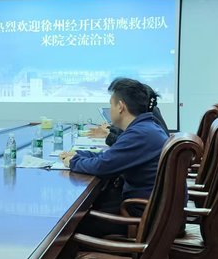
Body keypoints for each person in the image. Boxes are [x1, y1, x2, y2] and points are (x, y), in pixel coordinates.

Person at [60, 78, 169, 235]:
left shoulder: (139, 134)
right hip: (148, 208)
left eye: (111, 105)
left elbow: (102, 166)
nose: (110, 110)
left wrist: (73, 162)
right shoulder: (144, 129)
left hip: (142, 217)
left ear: (120, 106)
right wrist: (78, 154)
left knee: (70, 226)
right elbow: (110, 157)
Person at [88, 83, 169, 146]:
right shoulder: (145, 121)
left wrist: (108, 135)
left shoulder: (145, 126)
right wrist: (109, 130)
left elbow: (129, 142)